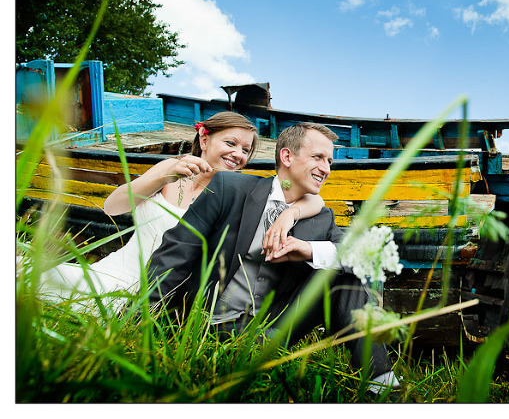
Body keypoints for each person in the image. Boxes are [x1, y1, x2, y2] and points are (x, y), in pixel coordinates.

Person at [147, 122, 399, 392]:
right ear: (287, 156)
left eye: (329, 161)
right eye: (317, 157)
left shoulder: (321, 218)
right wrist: (142, 318)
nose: (326, 169)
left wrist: (309, 250)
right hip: (209, 322)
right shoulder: (229, 188)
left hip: (272, 330)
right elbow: (177, 250)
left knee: (344, 275)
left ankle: (380, 383)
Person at [34, 112, 325, 305]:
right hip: (117, 271)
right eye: (231, 143)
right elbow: (113, 207)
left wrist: (289, 213)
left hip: (168, 291)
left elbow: (312, 197)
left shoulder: (240, 191)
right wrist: (165, 175)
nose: (238, 154)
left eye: (246, 150)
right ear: (204, 138)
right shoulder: (168, 169)